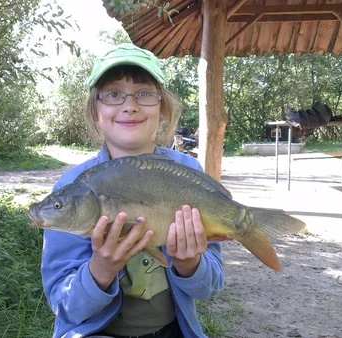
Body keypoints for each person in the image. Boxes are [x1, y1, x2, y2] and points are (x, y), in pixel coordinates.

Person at [41, 43, 224, 338]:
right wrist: (101, 268)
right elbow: (65, 307)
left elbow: (210, 287)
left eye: (144, 93)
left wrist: (189, 263)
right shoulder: (71, 191)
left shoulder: (188, 175)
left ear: (162, 106)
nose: (130, 105)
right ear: (95, 108)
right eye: (113, 94)